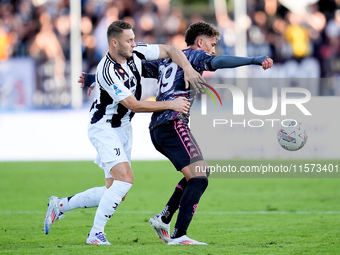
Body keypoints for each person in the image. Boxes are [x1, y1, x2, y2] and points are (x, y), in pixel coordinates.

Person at [48, 21, 273, 245]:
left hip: (142, 127)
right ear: (200, 42)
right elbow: (217, 62)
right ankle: (166, 233)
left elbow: (138, 66)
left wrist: (91, 78)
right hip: (155, 123)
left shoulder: (159, 58)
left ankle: (63, 205)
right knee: (195, 177)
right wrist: (253, 60)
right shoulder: (194, 56)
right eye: (212, 45)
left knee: (119, 189)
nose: (213, 50)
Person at [43, 20, 206, 245]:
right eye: (129, 40)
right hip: (104, 127)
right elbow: (133, 104)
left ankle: (60, 205)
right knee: (125, 180)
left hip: (123, 129)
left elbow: (171, 49)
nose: (133, 43)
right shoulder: (107, 70)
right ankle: (95, 234)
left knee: (117, 190)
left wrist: (187, 67)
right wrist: (171, 104)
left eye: (133, 39)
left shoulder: (135, 52)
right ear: (114, 42)